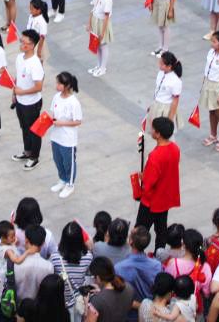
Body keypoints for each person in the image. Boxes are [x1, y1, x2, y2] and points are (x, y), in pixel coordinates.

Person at [135, 117, 180, 250]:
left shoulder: (155, 156)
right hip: (165, 198)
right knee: (161, 230)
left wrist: (143, 178)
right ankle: (159, 253)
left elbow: (148, 183)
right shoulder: (175, 148)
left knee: (140, 231)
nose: (151, 130)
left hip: (151, 201)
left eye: (153, 129)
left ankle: (138, 253)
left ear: (158, 134)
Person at [12, 29, 46, 170]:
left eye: (25, 43)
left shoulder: (35, 63)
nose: (22, 45)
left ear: (32, 45)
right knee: (24, 128)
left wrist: (23, 92)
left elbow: (39, 86)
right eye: (21, 41)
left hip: (32, 103)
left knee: (34, 131)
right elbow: (18, 76)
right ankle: (27, 151)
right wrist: (14, 93)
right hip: (20, 101)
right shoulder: (20, 58)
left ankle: (34, 157)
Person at [48, 72, 82, 199]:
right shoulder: (56, 97)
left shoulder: (74, 102)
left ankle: (70, 184)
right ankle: (62, 178)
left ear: (67, 86)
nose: (56, 85)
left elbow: (78, 121)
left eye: (59, 83)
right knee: (58, 160)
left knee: (69, 163)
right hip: (56, 136)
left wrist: (61, 123)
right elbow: (54, 115)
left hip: (68, 139)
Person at [114, 227, 162, 317]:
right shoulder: (157, 266)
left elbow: (118, 295)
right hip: (150, 313)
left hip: (129, 314)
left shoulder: (118, 268)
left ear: (130, 242)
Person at [84, 256, 135, 322]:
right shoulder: (129, 288)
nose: (94, 280)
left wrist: (86, 305)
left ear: (98, 278)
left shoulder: (96, 301)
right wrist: (101, 292)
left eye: (93, 277)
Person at [88, 0, 113, 77]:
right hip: (95, 20)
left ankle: (103, 68)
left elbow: (107, 16)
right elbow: (93, 9)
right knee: (96, 44)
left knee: (103, 45)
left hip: (102, 23)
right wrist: (89, 23)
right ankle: (98, 65)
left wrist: (103, 32)